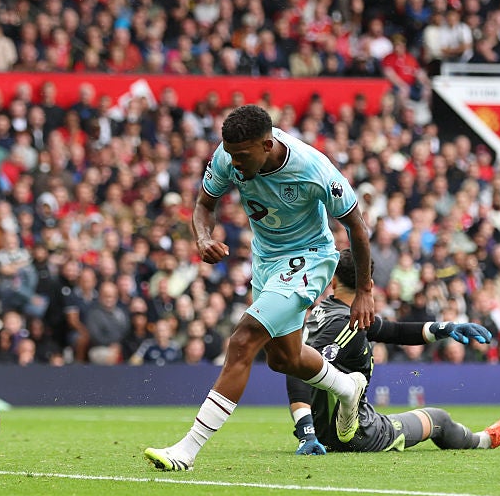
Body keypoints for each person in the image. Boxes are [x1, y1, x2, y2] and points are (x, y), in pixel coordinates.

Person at [144, 104, 375, 471]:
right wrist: (203, 238)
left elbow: (357, 228)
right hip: (265, 260)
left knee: (243, 340)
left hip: (309, 258)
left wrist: (364, 289)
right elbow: (204, 205)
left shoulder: (314, 170)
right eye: (230, 154)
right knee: (285, 358)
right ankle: (348, 387)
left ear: (267, 145)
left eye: (242, 155)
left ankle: (187, 450)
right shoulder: (227, 155)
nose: (233, 162)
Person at [287, 249, 500, 455]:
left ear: (334, 282)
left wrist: (445, 327)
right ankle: (484, 440)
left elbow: (393, 331)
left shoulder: (324, 312)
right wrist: (308, 435)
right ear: (370, 286)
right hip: (359, 432)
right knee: (438, 419)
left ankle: (343, 413)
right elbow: (299, 369)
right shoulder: (349, 324)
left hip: (317, 430)